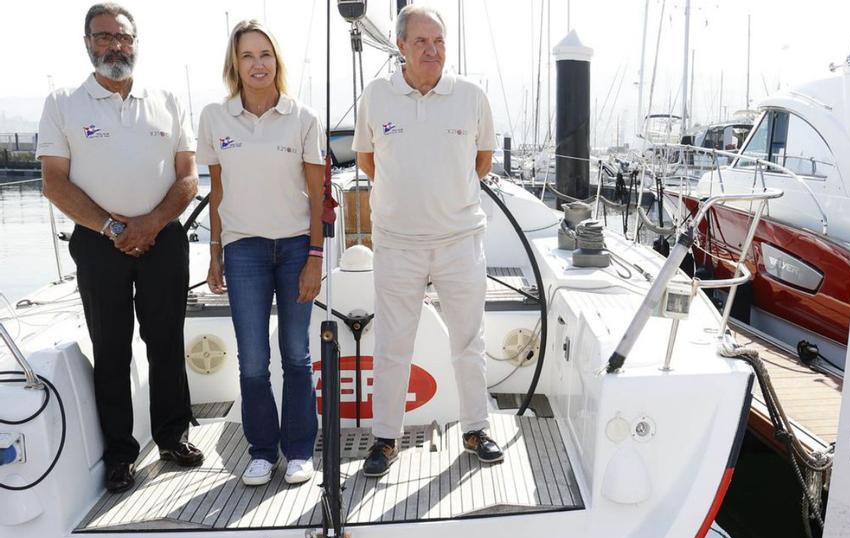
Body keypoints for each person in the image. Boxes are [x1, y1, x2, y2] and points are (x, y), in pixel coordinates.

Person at [37, 2, 203, 494]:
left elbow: (188, 176)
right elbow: (53, 182)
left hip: (164, 237)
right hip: (98, 242)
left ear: (136, 42)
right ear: (88, 43)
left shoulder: (167, 98)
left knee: (167, 341)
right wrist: (114, 229)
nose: (114, 45)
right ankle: (119, 454)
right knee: (111, 348)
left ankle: (173, 436)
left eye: (123, 37)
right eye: (103, 36)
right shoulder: (63, 102)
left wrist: (151, 223)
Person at [352, 4, 502, 475]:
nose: (432, 50)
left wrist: (444, 201)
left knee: (469, 341)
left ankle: (476, 429)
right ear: (400, 46)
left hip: (459, 239)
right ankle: (385, 440)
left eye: (438, 41)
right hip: (397, 243)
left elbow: (481, 161)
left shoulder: (471, 95)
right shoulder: (377, 95)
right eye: (421, 42)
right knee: (394, 345)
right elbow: (366, 160)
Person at [198, 19, 325, 486]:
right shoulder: (214, 117)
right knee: (252, 359)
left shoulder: (302, 117)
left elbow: (318, 196)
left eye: (265, 55)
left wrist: (315, 256)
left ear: (277, 62)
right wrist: (214, 252)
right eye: (248, 56)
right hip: (242, 250)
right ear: (235, 64)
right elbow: (216, 193)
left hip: (295, 247)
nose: (258, 64)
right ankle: (261, 451)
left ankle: (298, 452)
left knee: (296, 353)